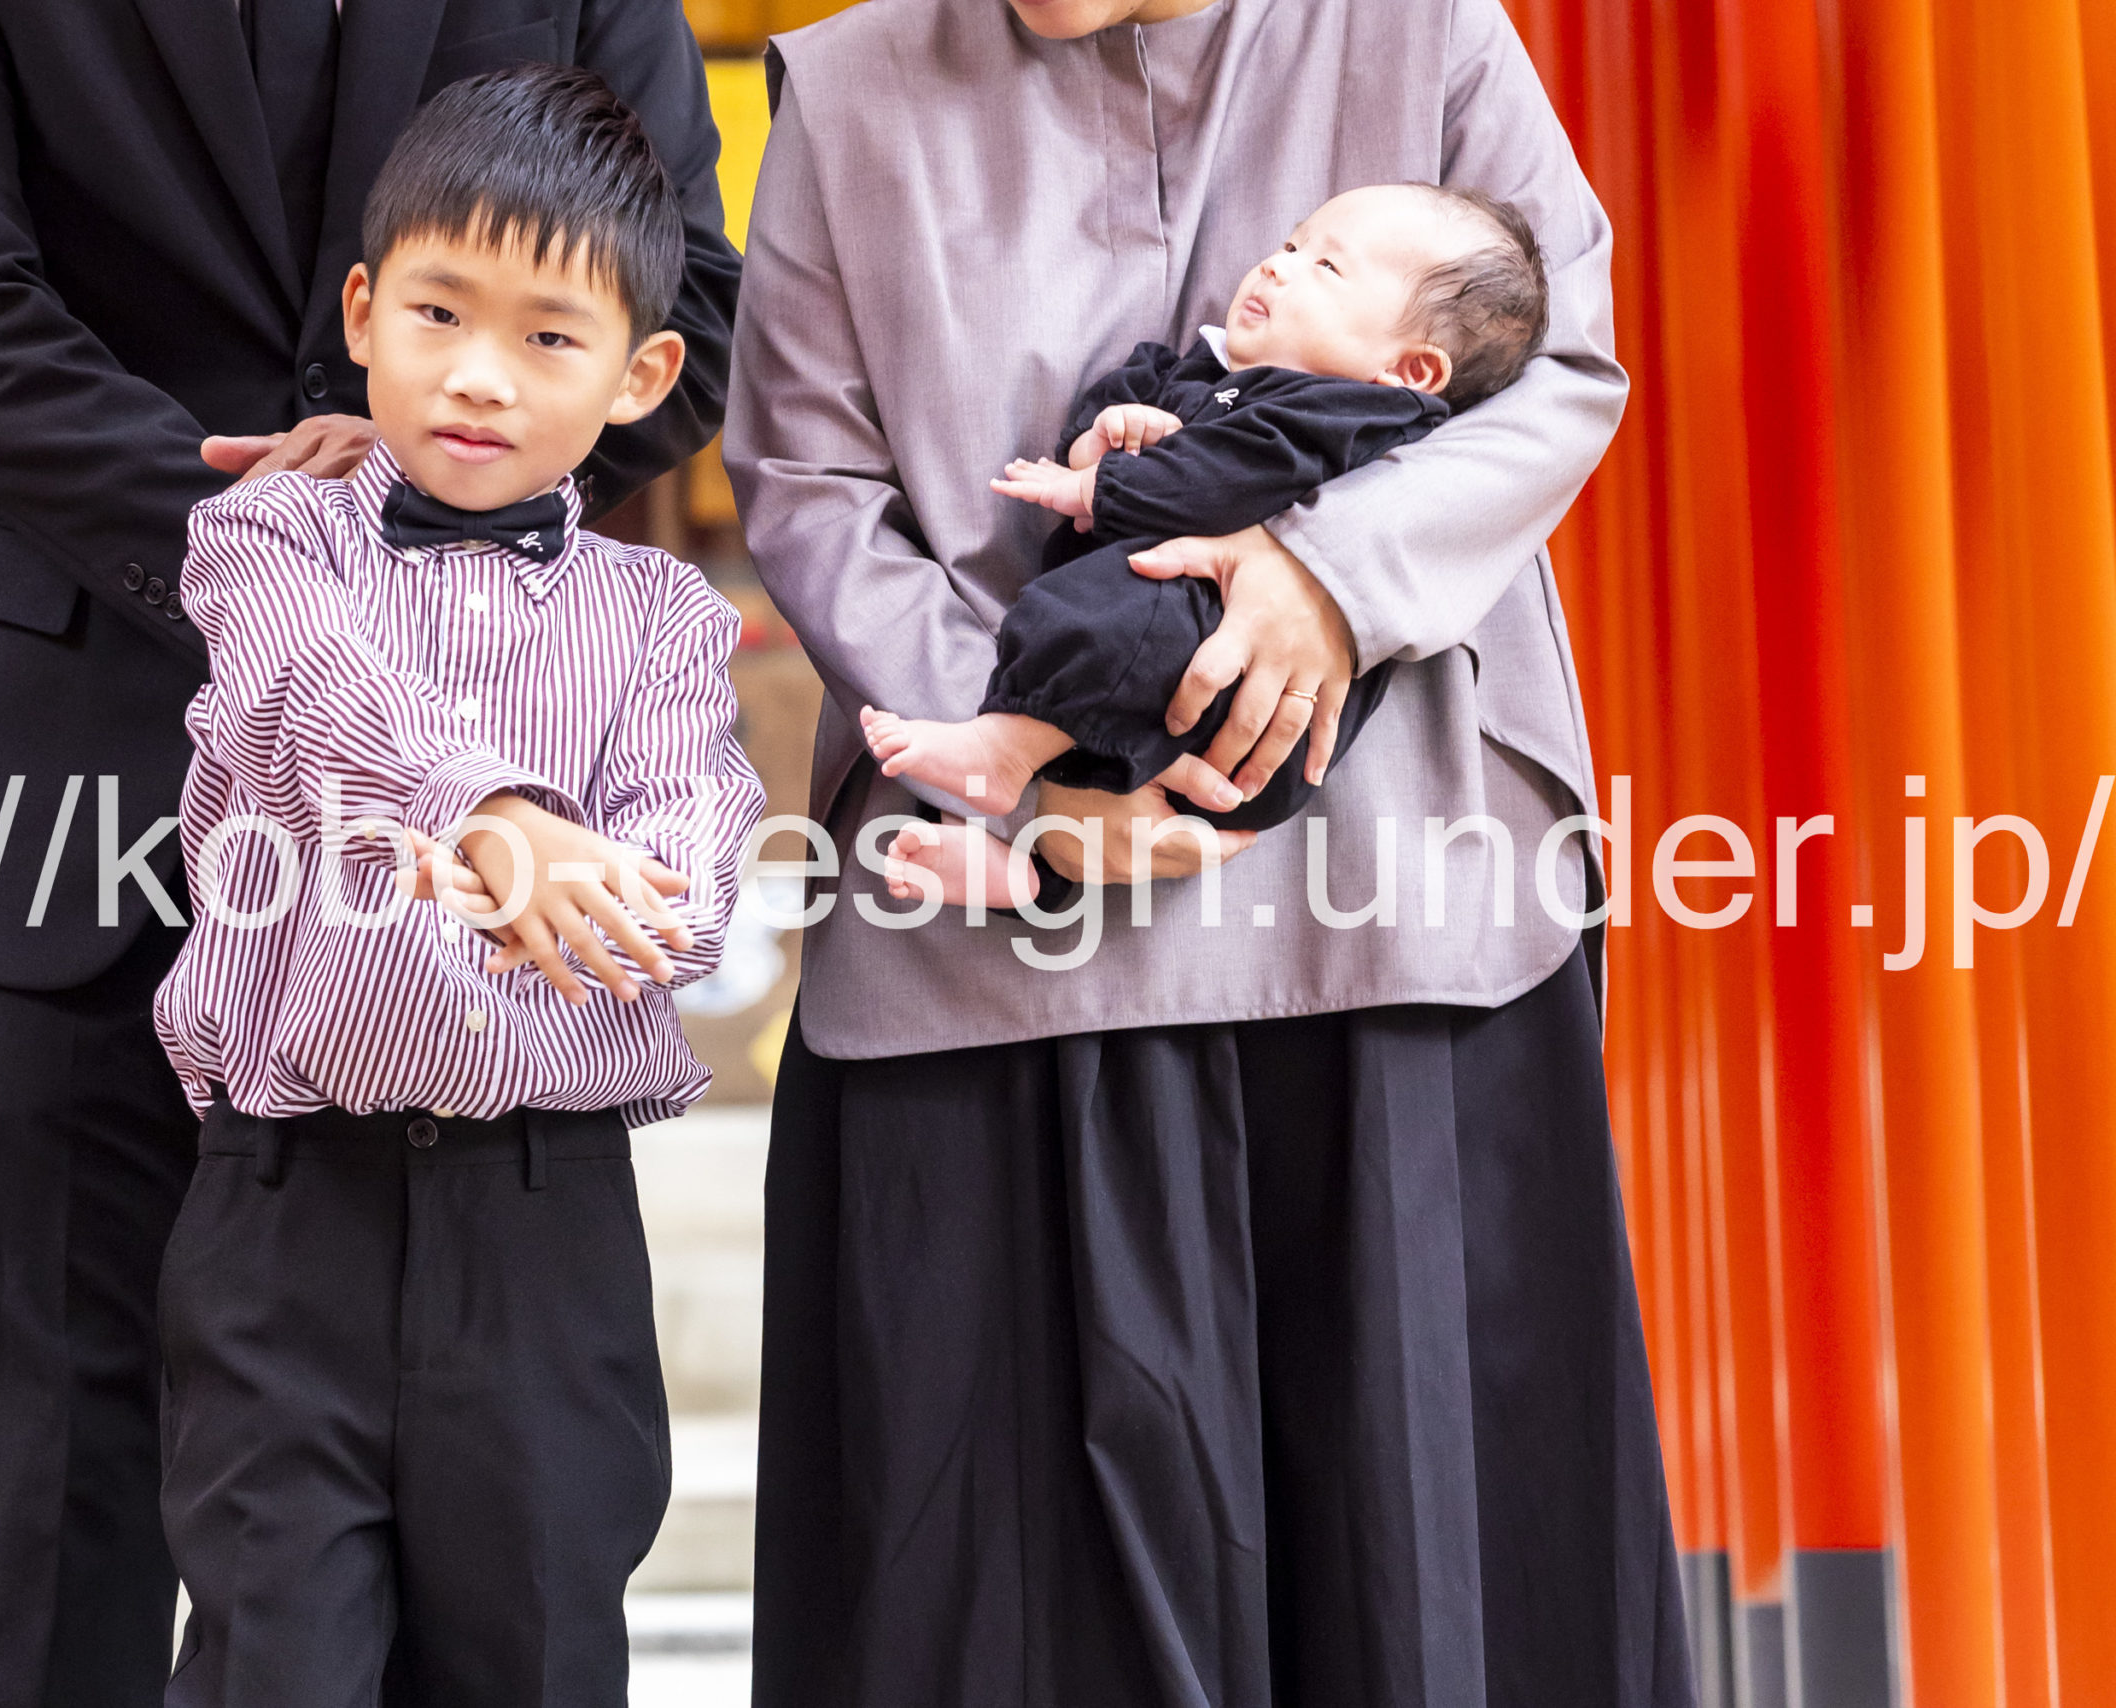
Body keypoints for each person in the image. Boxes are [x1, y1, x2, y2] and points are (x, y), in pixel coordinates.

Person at [724, 0, 1699, 1704]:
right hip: (990, 960)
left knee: (1412, 1599)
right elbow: (809, 479)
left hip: (1384, 919)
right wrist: (1032, 765)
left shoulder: (1424, 32)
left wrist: (1325, 579)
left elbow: (1558, 364)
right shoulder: (850, 84)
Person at [0, 0, 738, 1701]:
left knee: (480, 1543)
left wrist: (421, 473)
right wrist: (289, 530)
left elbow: (692, 305)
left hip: (466, 859)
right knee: (38, 1497)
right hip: (49, 738)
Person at [150, 65, 765, 1708]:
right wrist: (483, 813)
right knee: (274, 1654)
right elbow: (301, 690)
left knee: (538, 1651)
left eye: (550, 336)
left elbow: (687, 863)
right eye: (438, 313)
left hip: (544, 1220)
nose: (479, 375)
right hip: (289, 1206)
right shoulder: (270, 540)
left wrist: (608, 892)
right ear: (363, 313)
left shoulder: (664, 621)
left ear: (642, 375)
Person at [862, 182, 1548, 908]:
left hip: (1246, 704)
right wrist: (1100, 440)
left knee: (1108, 620)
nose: (1278, 265)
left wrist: (1102, 490)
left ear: (1411, 370)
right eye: (1290, 244)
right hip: (1169, 671)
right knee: (1087, 626)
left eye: (1326, 267)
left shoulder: (1350, 416)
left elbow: (1225, 477)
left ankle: (1004, 757)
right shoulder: (1210, 370)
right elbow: (1123, 403)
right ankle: (1030, 872)